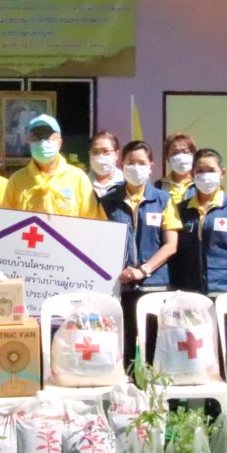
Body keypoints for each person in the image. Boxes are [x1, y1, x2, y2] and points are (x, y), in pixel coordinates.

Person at [100, 140, 181, 368]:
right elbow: (100, 242)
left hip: (155, 285)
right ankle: (126, 385)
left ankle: (153, 387)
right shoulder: (107, 202)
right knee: (123, 343)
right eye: (130, 162)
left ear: (151, 166)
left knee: (154, 344)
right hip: (120, 285)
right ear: (121, 165)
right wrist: (122, 272)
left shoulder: (164, 200)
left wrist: (143, 270)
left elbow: (171, 245)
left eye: (141, 163)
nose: (136, 167)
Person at [172, 147, 227, 297]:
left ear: (222, 173)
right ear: (192, 174)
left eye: (211, 170)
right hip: (188, 289)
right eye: (200, 171)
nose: (205, 175)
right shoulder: (181, 209)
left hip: (222, 288)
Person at [0, 114, 104, 219]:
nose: (42, 142)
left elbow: (91, 220)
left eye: (47, 137)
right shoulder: (17, 180)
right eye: (36, 137)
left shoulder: (78, 178)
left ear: (59, 143)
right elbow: (5, 220)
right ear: (29, 142)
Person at [157, 134, 197, 205]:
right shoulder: (158, 186)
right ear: (167, 157)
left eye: (185, 152)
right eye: (175, 153)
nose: (181, 156)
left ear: (193, 155)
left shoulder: (200, 185)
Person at [88, 131, 124, 198]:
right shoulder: (83, 182)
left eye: (106, 151)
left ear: (116, 154)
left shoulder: (126, 183)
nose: (100, 156)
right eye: (95, 152)